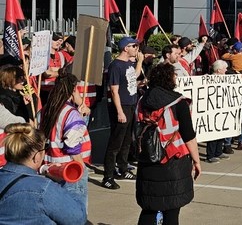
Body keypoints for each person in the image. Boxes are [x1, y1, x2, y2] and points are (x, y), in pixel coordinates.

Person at [135, 62, 201, 225]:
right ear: (169, 79)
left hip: (148, 159)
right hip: (173, 160)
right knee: (171, 209)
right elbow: (189, 135)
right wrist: (197, 160)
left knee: (149, 208)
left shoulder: (142, 100)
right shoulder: (178, 103)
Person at [0, 123, 87, 225]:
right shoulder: (43, 189)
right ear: (36, 156)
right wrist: (66, 181)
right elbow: (77, 219)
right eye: (44, 148)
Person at [39, 72, 91, 212]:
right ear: (73, 90)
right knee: (75, 212)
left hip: (50, 165)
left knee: (55, 210)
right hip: (70, 168)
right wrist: (81, 165)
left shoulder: (46, 109)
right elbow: (72, 144)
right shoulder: (70, 112)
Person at [102, 36, 144, 190]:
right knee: (115, 142)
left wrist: (139, 63)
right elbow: (114, 91)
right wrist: (120, 111)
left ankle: (123, 168)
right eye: (134, 46)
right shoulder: (116, 66)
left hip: (131, 104)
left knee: (127, 140)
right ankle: (108, 176)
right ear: (126, 48)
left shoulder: (129, 64)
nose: (136, 48)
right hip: (122, 106)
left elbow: (135, 75)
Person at [204, 60, 232, 163]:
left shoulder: (226, 79)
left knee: (221, 130)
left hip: (222, 108)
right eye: (224, 68)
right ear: (219, 70)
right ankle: (210, 155)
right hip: (212, 109)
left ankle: (218, 151)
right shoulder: (209, 79)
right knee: (213, 132)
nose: (226, 70)